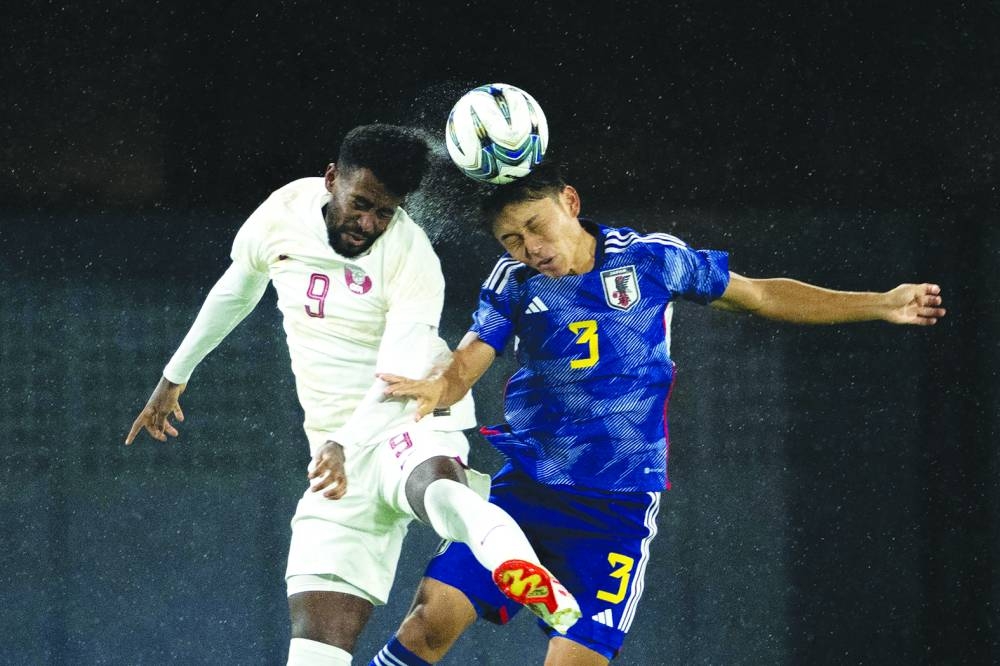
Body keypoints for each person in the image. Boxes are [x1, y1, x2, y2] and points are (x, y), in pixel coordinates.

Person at [368, 160, 947, 666]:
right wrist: (440, 388)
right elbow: (471, 357)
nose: (530, 248)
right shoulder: (514, 282)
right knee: (427, 625)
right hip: (527, 493)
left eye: (536, 227)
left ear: (570, 202)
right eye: (511, 240)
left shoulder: (650, 260)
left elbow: (762, 296)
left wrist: (880, 303)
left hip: (615, 510)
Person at [124, 125, 581, 666]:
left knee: (431, 489)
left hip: (404, 414)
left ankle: (511, 557)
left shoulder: (411, 257)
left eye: (385, 213)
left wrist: (345, 442)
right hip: (332, 450)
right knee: (314, 650)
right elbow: (238, 286)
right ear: (331, 178)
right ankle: (498, 533)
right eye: (361, 205)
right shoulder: (283, 212)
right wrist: (174, 376)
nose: (369, 225)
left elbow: (399, 373)